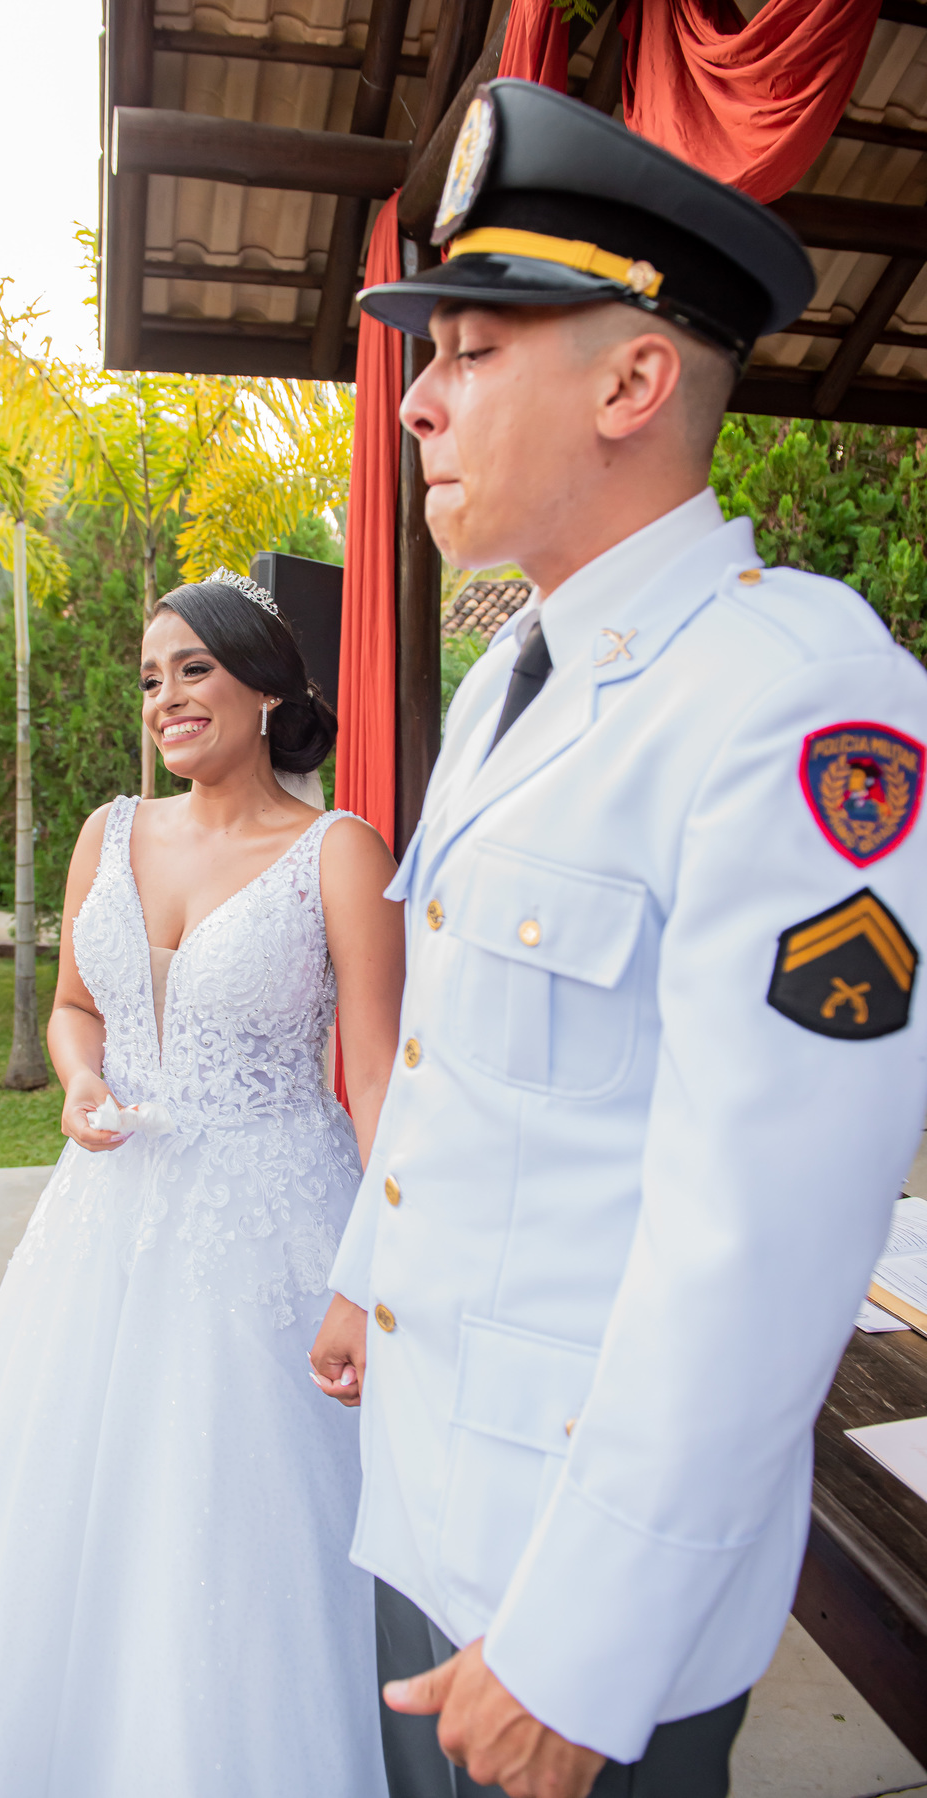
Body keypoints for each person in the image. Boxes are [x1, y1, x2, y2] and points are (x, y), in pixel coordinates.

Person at [310, 80, 927, 1798]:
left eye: (470, 349)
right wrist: (368, 1262)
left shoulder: (796, 696)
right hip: (435, 1482)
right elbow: (462, 1052)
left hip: (579, 1575)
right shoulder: (517, 677)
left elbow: (768, 1233)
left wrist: (583, 1645)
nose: (416, 398)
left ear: (634, 381)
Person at [0, 568, 403, 1798]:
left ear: (268, 688)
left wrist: (370, 1276)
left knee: (245, 1517)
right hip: (104, 1220)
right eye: (149, 677)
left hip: (275, 1227)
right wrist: (79, 1081)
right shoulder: (109, 834)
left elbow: (384, 1080)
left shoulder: (339, 852)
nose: (165, 697)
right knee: (67, 1485)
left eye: (194, 669)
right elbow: (78, 1008)